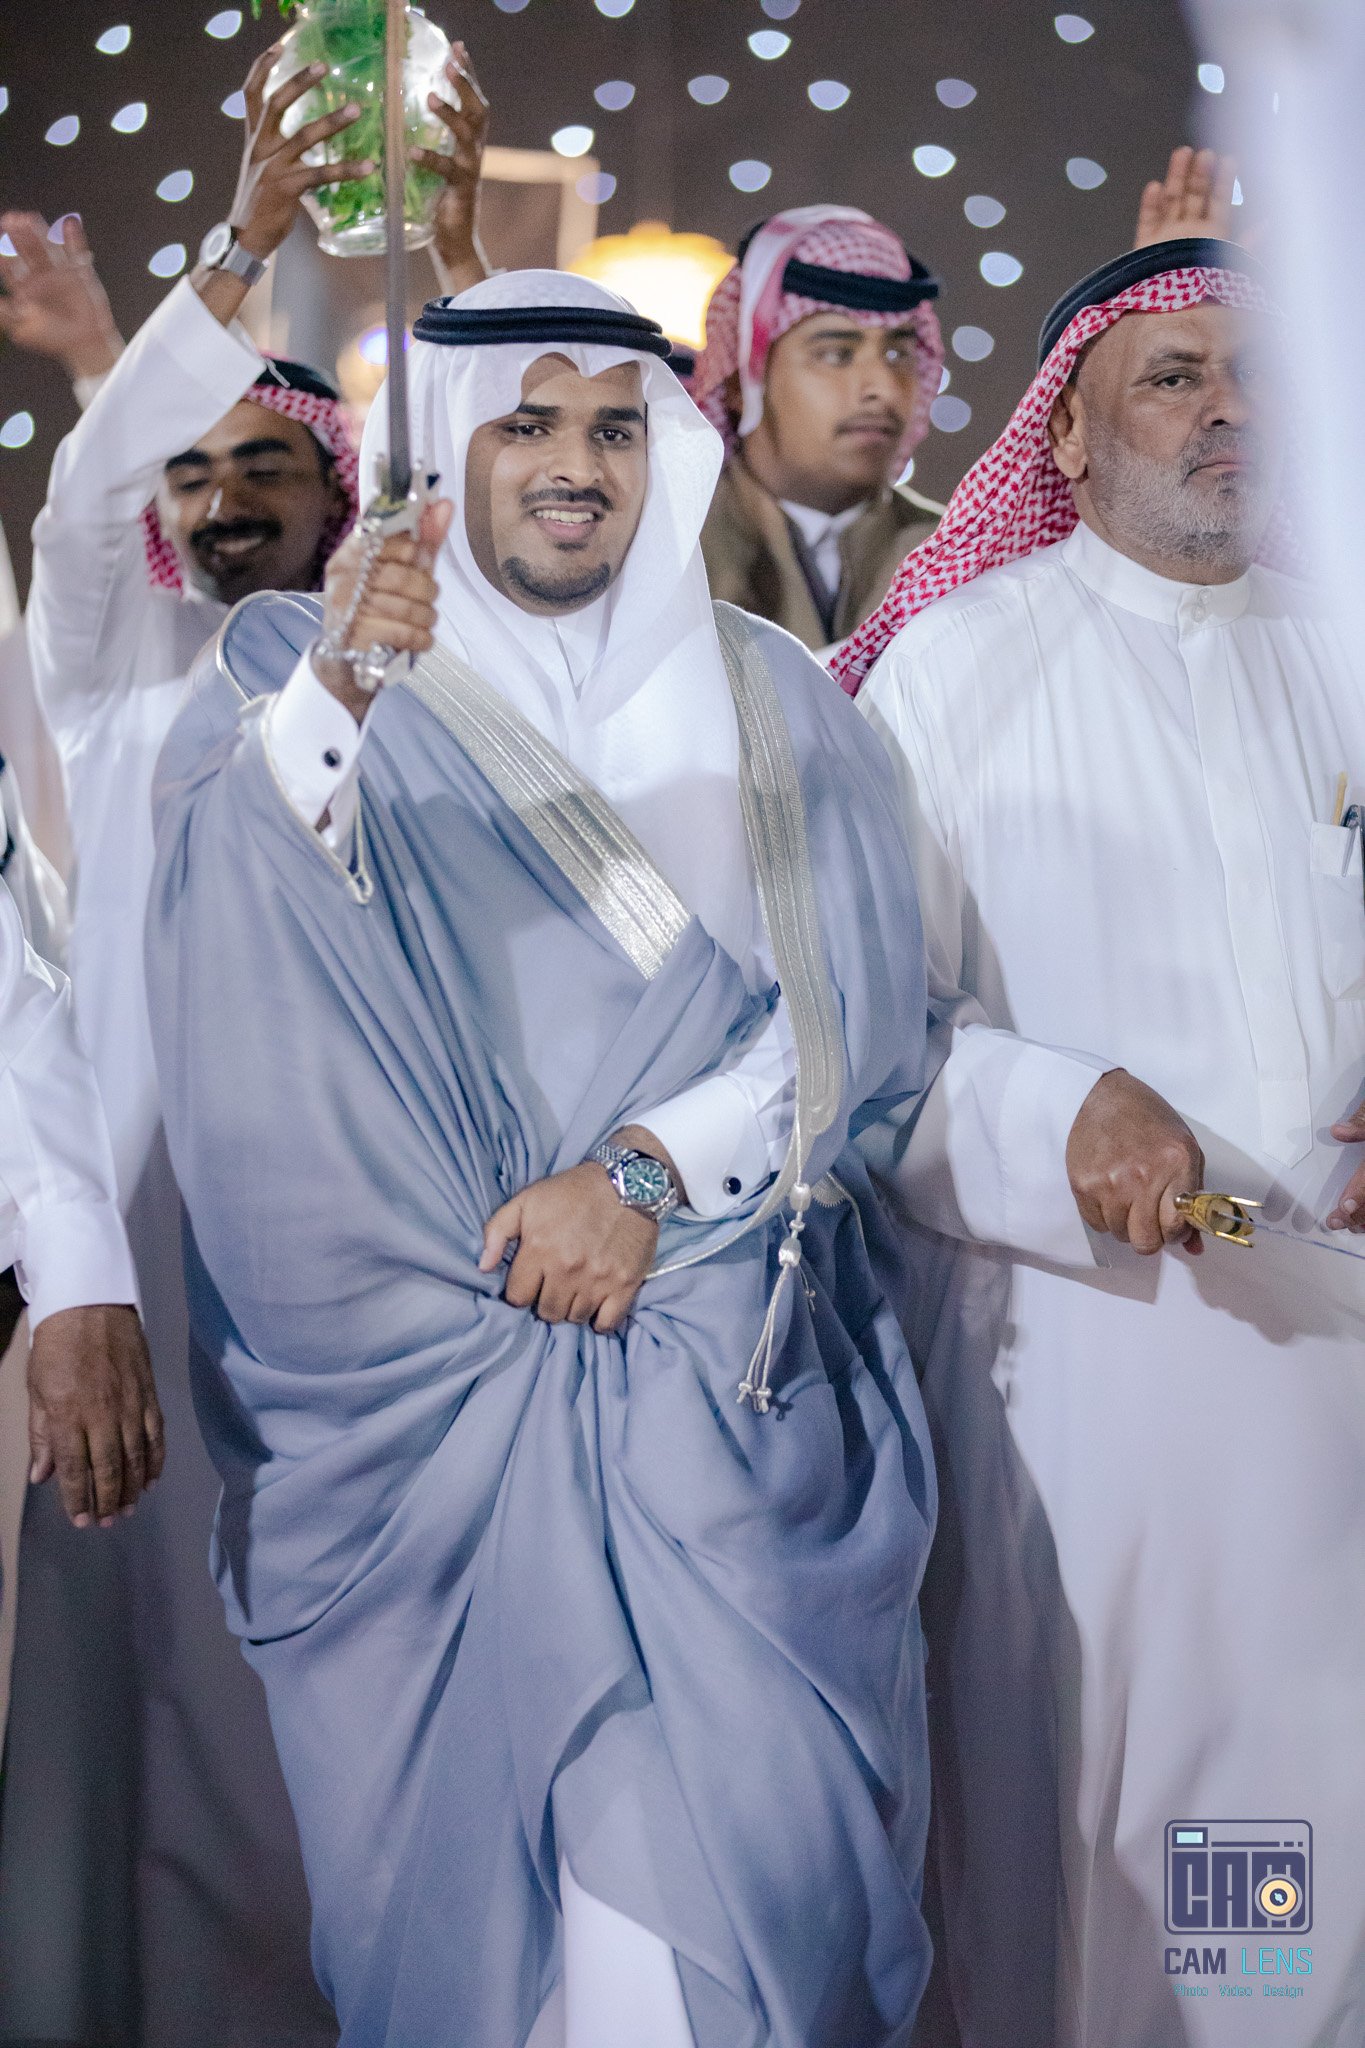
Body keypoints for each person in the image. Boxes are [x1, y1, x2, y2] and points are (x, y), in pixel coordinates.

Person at [144, 267, 938, 2048]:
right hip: (429, 1441)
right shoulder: (291, 678)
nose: (576, 465)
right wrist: (351, 676)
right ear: (448, 449)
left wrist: (645, 1177)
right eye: (527, 425)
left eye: (611, 428)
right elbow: (237, 931)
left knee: (723, 1936)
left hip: (717, 1410)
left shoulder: (773, 697)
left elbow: (859, 1013)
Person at [0, 39, 491, 2048]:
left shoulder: (426, 696)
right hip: (147, 1259)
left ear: (338, 496)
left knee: (351, 1751)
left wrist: (448, 254)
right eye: (190, 474)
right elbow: (88, 499)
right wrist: (240, 242)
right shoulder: (112, 685)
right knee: (144, 1737)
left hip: (385, 1298)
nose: (217, 501)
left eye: (263, 469)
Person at [838, 227, 1365, 2048]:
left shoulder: (1347, 645)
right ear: (1063, 433)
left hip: (1331, 1387)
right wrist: (1063, 1107)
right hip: (1083, 1379)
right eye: (1177, 376)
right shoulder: (953, 668)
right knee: (1073, 1844)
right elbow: (868, 1047)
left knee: (1280, 1828)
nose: (1230, 410)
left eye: (1257, 376)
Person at [690, 205, 947, 654]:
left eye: (898, 355)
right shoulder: (671, 550)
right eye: (835, 354)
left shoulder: (958, 553)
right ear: (739, 383)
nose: (884, 388)